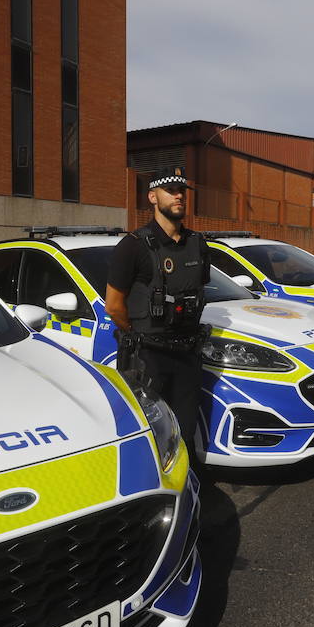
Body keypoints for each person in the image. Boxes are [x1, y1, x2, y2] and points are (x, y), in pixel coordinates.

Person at [106, 170, 210, 470]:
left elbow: (199, 288)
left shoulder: (198, 243)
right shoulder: (133, 245)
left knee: (185, 433)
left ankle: (188, 493)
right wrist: (138, 334)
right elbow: (114, 306)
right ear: (152, 197)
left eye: (182, 190)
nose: (179, 195)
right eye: (170, 190)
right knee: (149, 433)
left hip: (188, 354)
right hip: (149, 356)